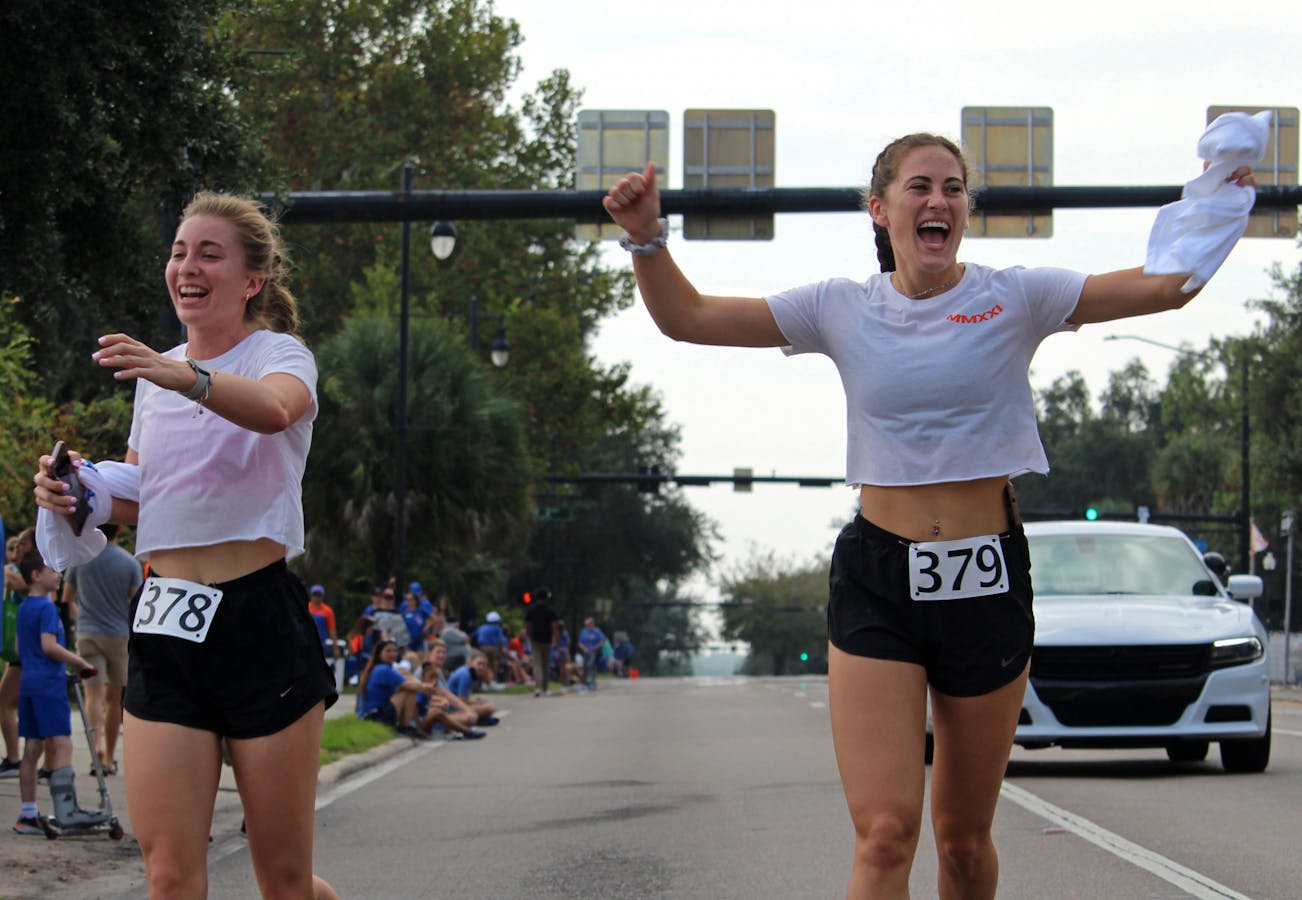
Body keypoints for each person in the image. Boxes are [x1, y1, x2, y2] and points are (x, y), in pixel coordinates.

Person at [603, 138, 1256, 897]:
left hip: (986, 579)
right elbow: (689, 316)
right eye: (919, 187)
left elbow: (1166, 286)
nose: (938, 201)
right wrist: (646, 237)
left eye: (954, 188)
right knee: (884, 836)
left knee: (963, 841)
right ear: (880, 209)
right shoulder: (839, 308)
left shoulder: (1018, 296)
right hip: (880, 578)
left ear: (966, 209)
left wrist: (1217, 201)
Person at [34, 191, 340, 899]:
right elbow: (147, 490)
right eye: (178, 251)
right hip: (166, 620)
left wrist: (188, 376)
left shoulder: (280, 355)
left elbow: (274, 411)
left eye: (209, 253)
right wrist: (77, 493)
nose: (187, 267)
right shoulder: (158, 375)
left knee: (285, 882)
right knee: (169, 877)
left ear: (252, 279)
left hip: (258, 621)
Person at [13, 549, 96, 835]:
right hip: (48, 683)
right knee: (62, 744)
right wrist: (79, 661)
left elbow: (17, 649)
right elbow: (49, 646)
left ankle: (28, 814)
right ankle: (66, 810)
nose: (58, 575)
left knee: (32, 749)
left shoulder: (25, 606)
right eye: (52, 571)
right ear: (37, 576)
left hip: (29, 682)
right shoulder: (47, 607)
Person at [62, 523, 142, 775]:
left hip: (87, 632)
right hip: (118, 635)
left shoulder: (80, 558)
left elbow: (67, 599)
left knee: (93, 695)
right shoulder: (130, 563)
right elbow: (137, 603)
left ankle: (95, 744)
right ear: (118, 529)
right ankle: (108, 757)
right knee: (114, 700)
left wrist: (77, 620)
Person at [1, 530, 36, 778]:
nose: (18, 547)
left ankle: (15, 759)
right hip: (18, 648)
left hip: (25, 649)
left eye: (23, 543)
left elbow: (18, 585)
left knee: (4, 703)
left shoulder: (33, 571)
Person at [355, 639, 430, 736]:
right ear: (379, 653)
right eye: (388, 651)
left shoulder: (378, 668)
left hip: (373, 714)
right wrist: (426, 687)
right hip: (376, 716)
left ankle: (409, 726)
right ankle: (405, 727)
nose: (392, 654)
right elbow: (409, 685)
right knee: (408, 691)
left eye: (395, 651)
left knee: (407, 689)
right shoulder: (383, 669)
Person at [524, 587, 559, 697]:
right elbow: (554, 626)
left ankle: (537, 688)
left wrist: (529, 636)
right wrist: (554, 639)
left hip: (535, 639)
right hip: (547, 639)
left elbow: (527, 625)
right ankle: (546, 688)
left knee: (537, 664)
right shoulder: (550, 610)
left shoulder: (531, 609)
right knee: (546, 664)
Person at [445, 651, 498, 724]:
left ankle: (478, 718)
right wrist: (476, 702)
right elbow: (462, 700)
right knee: (490, 708)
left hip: (456, 704)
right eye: (479, 664)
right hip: (453, 707)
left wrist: (475, 701)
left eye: (484, 665)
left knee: (486, 705)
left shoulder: (468, 672)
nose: (481, 667)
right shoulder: (465, 675)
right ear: (470, 663)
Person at [474, 610, 508, 686]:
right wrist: (501, 651)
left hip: (482, 648)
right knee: (494, 664)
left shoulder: (481, 627)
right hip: (494, 648)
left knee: (485, 664)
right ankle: (493, 680)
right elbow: (500, 641)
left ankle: (484, 681)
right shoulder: (497, 628)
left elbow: (473, 637)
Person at [307, 584, 339, 661]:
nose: (317, 598)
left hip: (320, 643)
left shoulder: (327, 611)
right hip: (306, 641)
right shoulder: (305, 607)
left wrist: (335, 648)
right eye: (315, 595)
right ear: (311, 595)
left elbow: (332, 630)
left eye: (319, 595)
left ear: (322, 597)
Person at [577, 617, 606, 692]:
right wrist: (584, 649)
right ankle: (583, 684)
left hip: (594, 652)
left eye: (589, 624)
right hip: (585, 652)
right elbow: (580, 642)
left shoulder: (597, 631)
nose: (587, 626)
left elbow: (602, 641)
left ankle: (592, 684)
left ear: (592, 624)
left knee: (591, 666)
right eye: (586, 625)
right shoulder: (583, 632)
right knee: (585, 668)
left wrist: (595, 648)